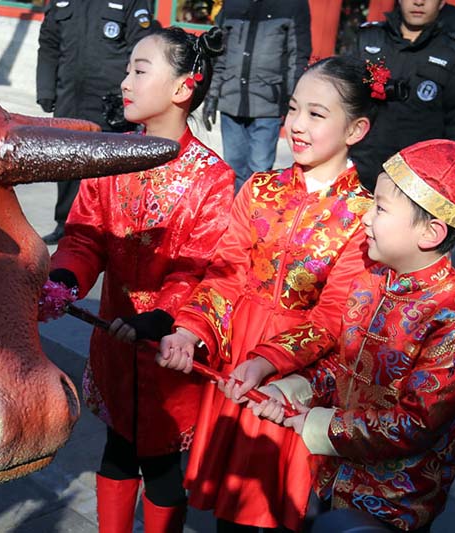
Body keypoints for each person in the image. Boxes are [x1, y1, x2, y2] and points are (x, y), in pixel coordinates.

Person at [157, 55, 380, 533]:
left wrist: (266, 363)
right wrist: (189, 330)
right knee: (231, 507)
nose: (296, 124)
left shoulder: (363, 217)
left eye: (316, 114)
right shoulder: (259, 190)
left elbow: (334, 315)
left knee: (274, 504)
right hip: (236, 362)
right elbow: (225, 274)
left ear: (356, 129)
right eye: (294, 108)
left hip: (294, 379)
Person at [242, 139, 455, 533]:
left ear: (431, 232)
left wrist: (319, 425)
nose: (366, 218)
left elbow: (416, 423)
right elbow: (343, 365)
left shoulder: (453, 321)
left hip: (394, 503)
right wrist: (292, 390)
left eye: (381, 209)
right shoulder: (371, 280)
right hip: (332, 477)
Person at [49, 26, 233, 532]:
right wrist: (64, 279)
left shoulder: (212, 178)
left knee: (162, 463)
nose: (125, 81)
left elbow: (198, 265)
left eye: (140, 70)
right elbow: (85, 235)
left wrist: (161, 317)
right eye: (128, 69)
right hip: (114, 339)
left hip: (170, 347)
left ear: (182, 88)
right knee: (117, 448)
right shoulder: (112, 158)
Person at [36, 0, 155, 245]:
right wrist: (46, 89)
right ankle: (66, 225)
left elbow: (143, 51)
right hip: (70, 98)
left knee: (108, 172)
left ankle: (110, 232)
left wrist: (135, 98)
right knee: (67, 164)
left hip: (110, 102)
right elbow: (48, 43)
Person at [349, 0, 455, 191]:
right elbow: (343, 100)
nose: (418, 2)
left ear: (441, 3)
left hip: (414, 182)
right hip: (356, 169)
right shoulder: (369, 38)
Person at [201, 0, 311, 191]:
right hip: (231, 98)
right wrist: (211, 94)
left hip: (268, 102)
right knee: (232, 169)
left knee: (259, 172)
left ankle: (252, 210)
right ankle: (235, 209)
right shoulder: (232, 4)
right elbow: (219, 55)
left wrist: (293, 103)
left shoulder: (292, 5)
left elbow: (297, 57)